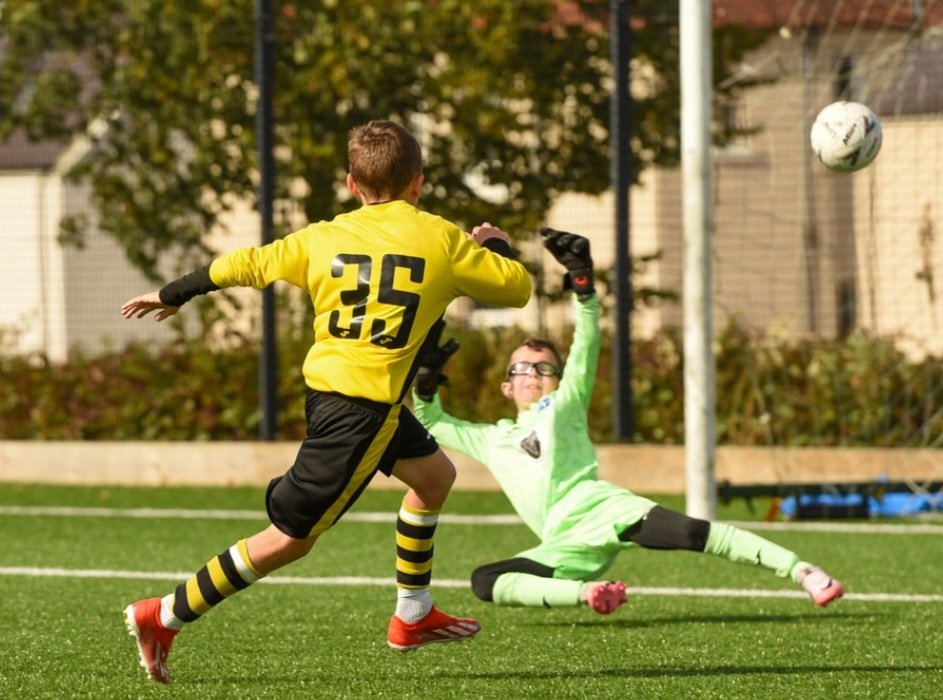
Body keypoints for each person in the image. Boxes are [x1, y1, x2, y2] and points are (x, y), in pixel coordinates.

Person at [119, 120, 532, 683]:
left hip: (338, 397)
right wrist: (495, 243)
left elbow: (245, 263)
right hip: (362, 414)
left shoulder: (320, 237)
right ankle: (164, 614)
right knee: (290, 540)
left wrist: (173, 293)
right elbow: (516, 287)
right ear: (419, 182)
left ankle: (412, 615)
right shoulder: (443, 239)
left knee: (434, 476)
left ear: (350, 184)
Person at [412, 227, 844, 615]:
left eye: (542, 368)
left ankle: (802, 571)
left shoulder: (565, 402)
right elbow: (431, 420)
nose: (530, 376)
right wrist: (425, 379)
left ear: (558, 380)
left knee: (697, 532)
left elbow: (587, 342)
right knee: (484, 581)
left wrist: (583, 284)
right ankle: (589, 592)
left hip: (606, 510)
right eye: (520, 369)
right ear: (506, 387)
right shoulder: (492, 439)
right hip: (563, 545)